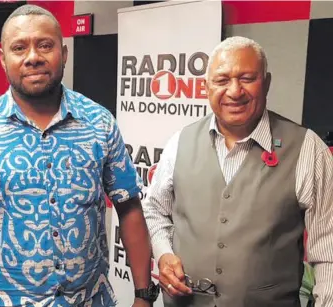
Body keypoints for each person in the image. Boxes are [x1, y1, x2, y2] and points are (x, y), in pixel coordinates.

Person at [0, 4, 157, 307]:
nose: (33, 57)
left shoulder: (100, 123)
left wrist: (143, 296)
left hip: (90, 299)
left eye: (45, 45)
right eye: (19, 47)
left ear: (63, 53)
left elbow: (129, 206)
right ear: (2, 59)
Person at [142, 36, 333, 307]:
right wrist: (163, 253)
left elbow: (329, 251)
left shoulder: (306, 149)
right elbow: (154, 211)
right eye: (221, 81)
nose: (234, 91)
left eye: (247, 78)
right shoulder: (180, 142)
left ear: (266, 83)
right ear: (205, 87)